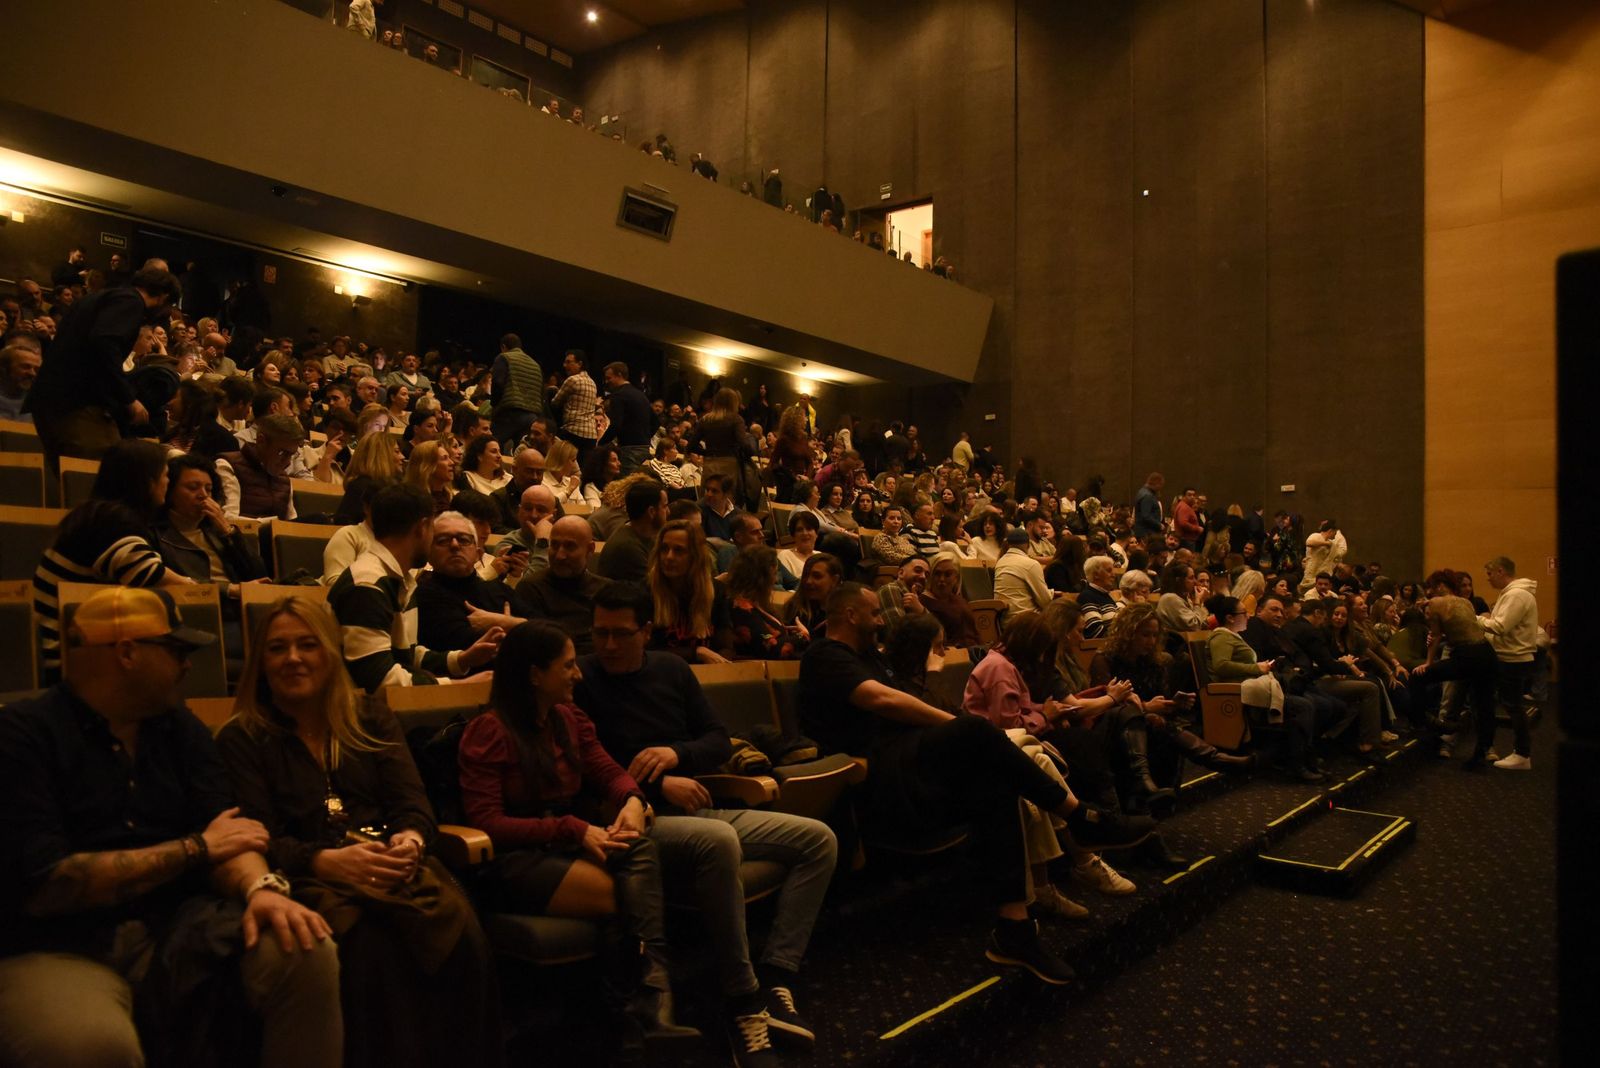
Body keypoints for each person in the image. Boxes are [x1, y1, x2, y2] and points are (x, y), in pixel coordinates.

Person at [0, 587, 341, 1068]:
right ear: (127, 653)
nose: (187, 665)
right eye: (176, 650)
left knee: (304, 948)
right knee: (90, 1045)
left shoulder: (180, 728)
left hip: (175, 929)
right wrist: (193, 849)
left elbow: (231, 834)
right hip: (57, 946)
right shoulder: (23, 734)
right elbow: (49, 885)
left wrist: (260, 887)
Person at [799, 583, 1154, 984]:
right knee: (978, 735)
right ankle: (1080, 818)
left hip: (910, 766)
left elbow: (903, 698)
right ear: (849, 615)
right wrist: (959, 727)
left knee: (995, 783)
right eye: (874, 613)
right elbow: (882, 702)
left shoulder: (869, 658)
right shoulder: (825, 656)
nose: (882, 620)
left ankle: (1014, 929)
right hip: (876, 777)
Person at [216, 596, 500, 1068]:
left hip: (390, 863)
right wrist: (324, 861)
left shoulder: (369, 716)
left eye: (307, 645)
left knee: (461, 932)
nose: (293, 658)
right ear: (260, 664)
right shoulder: (243, 737)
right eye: (278, 648)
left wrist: (409, 840)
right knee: (372, 950)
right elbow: (256, 836)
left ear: (330, 652)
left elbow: (411, 802)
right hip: (305, 878)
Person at [578, 582, 838, 1061]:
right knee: (718, 839)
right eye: (600, 634)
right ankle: (743, 998)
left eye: (620, 634)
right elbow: (582, 767)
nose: (609, 646)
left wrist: (675, 754)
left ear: (645, 631)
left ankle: (778, 975)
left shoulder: (670, 669)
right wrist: (657, 787)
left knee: (818, 840)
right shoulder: (581, 679)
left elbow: (718, 739)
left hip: (696, 804)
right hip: (632, 823)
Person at [456, 621, 701, 1054]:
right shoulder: (489, 731)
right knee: (616, 893)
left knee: (635, 846)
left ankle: (631, 1010)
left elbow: (607, 770)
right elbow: (488, 822)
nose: (579, 673)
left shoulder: (568, 718)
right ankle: (634, 1008)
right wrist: (572, 828)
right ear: (535, 675)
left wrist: (630, 799)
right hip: (513, 858)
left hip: (564, 842)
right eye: (567, 665)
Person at [33, 440, 195, 681]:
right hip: (65, 658)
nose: (168, 482)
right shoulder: (112, 524)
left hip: (71, 646)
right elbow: (153, 578)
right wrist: (196, 587)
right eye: (164, 475)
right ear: (147, 483)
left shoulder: (98, 514)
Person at [328, 483, 503, 691]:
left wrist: (462, 659)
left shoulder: (399, 578)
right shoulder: (367, 585)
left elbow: (404, 654)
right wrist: (457, 685)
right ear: (422, 528)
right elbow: (378, 678)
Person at [27, 266, 182, 462]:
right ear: (163, 296)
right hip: (77, 405)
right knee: (97, 474)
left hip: (54, 400)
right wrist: (129, 399)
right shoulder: (131, 302)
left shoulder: (102, 298)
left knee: (71, 478)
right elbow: (104, 343)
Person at [154, 453, 269, 604]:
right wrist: (230, 589)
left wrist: (229, 532)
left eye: (208, 489)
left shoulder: (216, 530)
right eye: (193, 487)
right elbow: (181, 585)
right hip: (205, 611)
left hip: (243, 607)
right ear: (170, 491)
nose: (203, 495)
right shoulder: (156, 534)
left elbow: (259, 574)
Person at [414, 511, 526, 655]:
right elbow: (467, 644)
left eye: (463, 540)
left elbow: (549, 631)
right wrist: (518, 627)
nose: (454, 545)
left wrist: (508, 623)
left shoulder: (499, 589)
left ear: (478, 554)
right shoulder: (423, 595)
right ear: (428, 554)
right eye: (442, 540)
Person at [518, 515, 611, 656]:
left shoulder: (606, 591)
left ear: (590, 549)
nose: (560, 555)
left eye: (570, 547)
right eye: (554, 545)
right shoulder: (531, 588)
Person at [1479, 556, 1540, 769]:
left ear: (1500, 572)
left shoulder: (1516, 595)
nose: (1488, 579)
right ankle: (1521, 752)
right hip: (1510, 656)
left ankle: (1522, 754)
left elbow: (1500, 626)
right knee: (1512, 705)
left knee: (1514, 706)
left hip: (1513, 658)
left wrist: (1475, 619)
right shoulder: (1513, 594)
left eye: (1489, 574)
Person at [646, 519, 732, 663]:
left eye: (679, 550)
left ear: (696, 557)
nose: (669, 557)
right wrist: (696, 652)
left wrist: (720, 669)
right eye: (664, 549)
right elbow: (647, 651)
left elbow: (725, 646)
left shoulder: (716, 591)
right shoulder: (647, 592)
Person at [217, 413, 305, 521]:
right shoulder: (228, 465)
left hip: (275, 536)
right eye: (282, 453)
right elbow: (228, 519)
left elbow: (291, 522)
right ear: (261, 441)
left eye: (292, 455)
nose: (288, 462)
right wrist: (273, 524)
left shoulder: (284, 479)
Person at [726, 546, 809, 659]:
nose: (775, 581)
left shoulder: (756, 603)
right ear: (760, 579)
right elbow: (772, 648)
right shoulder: (741, 607)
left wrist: (788, 631)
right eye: (774, 574)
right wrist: (803, 635)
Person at [597, 479, 668, 582]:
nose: (668, 511)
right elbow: (656, 589)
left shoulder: (644, 535)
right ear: (652, 512)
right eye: (665, 506)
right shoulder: (627, 548)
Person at [598, 361, 654, 475]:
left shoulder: (619, 395)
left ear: (619, 375)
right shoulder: (641, 395)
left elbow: (616, 425)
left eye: (609, 378)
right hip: (644, 448)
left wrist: (600, 444)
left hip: (629, 449)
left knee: (626, 486)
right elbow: (655, 422)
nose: (607, 382)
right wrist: (644, 437)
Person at [489, 334, 543, 448]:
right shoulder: (535, 365)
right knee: (522, 452)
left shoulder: (504, 357)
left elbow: (498, 383)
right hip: (532, 416)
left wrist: (494, 405)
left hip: (510, 412)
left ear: (503, 347)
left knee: (491, 445)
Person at [923, 550, 979, 646]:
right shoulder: (923, 601)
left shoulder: (959, 599)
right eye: (937, 574)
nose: (942, 579)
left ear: (956, 577)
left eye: (948, 574)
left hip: (975, 651)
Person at [550, 350, 599, 459]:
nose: (564, 365)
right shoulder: (593, 383)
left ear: (580, 364)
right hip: (590, 436)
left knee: (560, 463)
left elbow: (555, 403)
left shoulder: (572, 380)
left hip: (573, 432)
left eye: (568, 362)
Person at [995, 528, 1054, 616]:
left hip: (1005, 621)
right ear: (1028, 544)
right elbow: (1045, 602)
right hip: (1027, 620)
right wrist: (1052, 593)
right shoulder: (1030, 564)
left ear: (1008, 544)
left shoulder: (1000, 563)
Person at [785, 553, 843, 640]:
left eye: (817, 576)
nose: (808, 581)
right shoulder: (796, 609)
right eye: (806, 575)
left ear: (834, 580)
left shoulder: (844, 614)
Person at [404, 439, 456, 515]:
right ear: (428, 466)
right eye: (444, 458)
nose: (452, 462)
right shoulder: (413, 503)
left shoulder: (452, 498)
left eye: (449, 457)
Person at [543, 438, 596, 506]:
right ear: (562, 460)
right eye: (573, 460)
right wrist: (568, 491)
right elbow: (550, 505)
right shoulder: (542, 481)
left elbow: (583, 508)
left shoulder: (570, 482)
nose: (574, 465)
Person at [0, 342, 40, 421]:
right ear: (3, 369)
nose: (32, 373)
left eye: (36, 369)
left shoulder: (40, 406)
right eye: (25, 367)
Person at [1132, 472, 1165, 539]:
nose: (1160, 488)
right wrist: (1159, 525)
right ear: (1157, 484)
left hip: (1143, 531)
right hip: (1147, 533)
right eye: (1161, 485)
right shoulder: (1148, 496)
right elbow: (1146, 516)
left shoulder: (1142, 491)